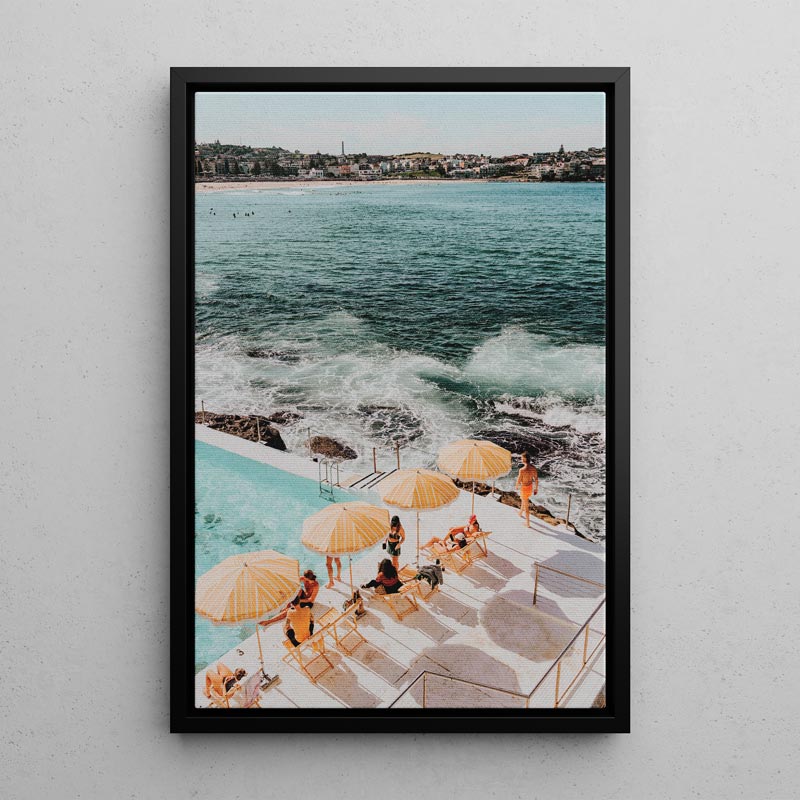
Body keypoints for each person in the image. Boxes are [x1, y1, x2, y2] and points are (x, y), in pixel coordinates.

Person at [515, 452, 539, 528]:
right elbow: (536, 479)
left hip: (524, 488)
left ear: (525, 459)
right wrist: (536, 489)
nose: (521, 459)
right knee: (524, 499)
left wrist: (516, 486)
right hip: (530, 487)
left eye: (522, 458)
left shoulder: (522, 470)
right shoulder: (533, 468)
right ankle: (520, 513)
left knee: (526, 506)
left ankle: (528, 523)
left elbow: (519, 480)